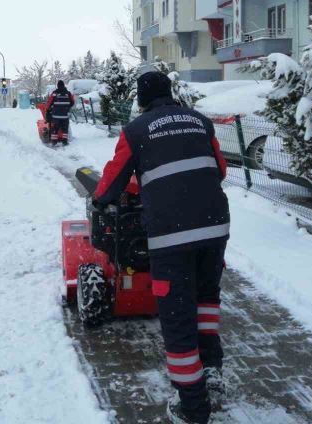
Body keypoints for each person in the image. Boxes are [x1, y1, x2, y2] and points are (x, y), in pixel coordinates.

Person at [93, 71, 229, 424]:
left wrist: (100, 200)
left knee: (177, 317)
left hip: (171, 236)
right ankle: (212, 369)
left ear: (141, 99)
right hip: (215, 228)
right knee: (206, 301)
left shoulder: (136, 130)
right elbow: (221, 169)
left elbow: (113, 180)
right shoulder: (199, 121)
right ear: (170, 94)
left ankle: (193, 407)